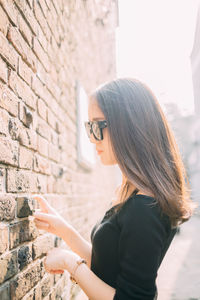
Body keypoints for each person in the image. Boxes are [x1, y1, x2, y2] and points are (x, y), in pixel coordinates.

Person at [33, 78, 194, 300]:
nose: (92, 139)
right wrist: (63, 230)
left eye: (97, 126)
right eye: (89, 127)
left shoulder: (144, 207)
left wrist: (70, 263)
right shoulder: (134, 195)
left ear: (129, 127)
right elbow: (108, 267)